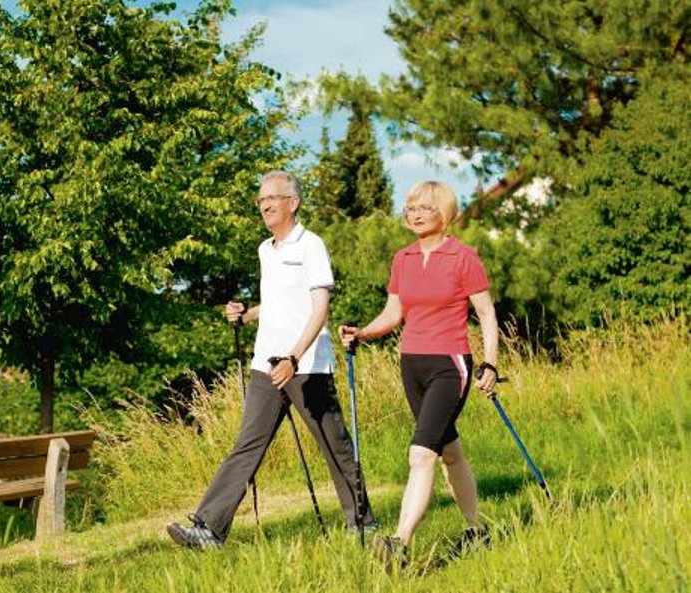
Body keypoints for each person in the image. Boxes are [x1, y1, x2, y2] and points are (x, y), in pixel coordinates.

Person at [166, 170, 377, 549]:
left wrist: (295, 357)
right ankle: (209, 528)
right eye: (260, 199)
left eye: (271, 198)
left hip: (305, 365)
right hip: (266, 364)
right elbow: (279, 305)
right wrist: (245, 314)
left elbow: (319, 310)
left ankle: (362, 524)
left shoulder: (311, 245)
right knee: (247, 444)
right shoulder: (266, 249)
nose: (263, 204)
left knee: (335, 446)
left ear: (292, 203)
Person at [338, 180, 499, 567]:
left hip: (450, 365)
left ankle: (399, 541)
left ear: (444, 213)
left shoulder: (463, 257)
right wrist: (363, 333)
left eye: (424, 207)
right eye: (410, 207)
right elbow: (394, 314)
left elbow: (487, 315)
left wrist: (490, 363)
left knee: (420, 454)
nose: (415, 213)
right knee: (450, 454)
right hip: (411, 364)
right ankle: (477, 531)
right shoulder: (403, 259)